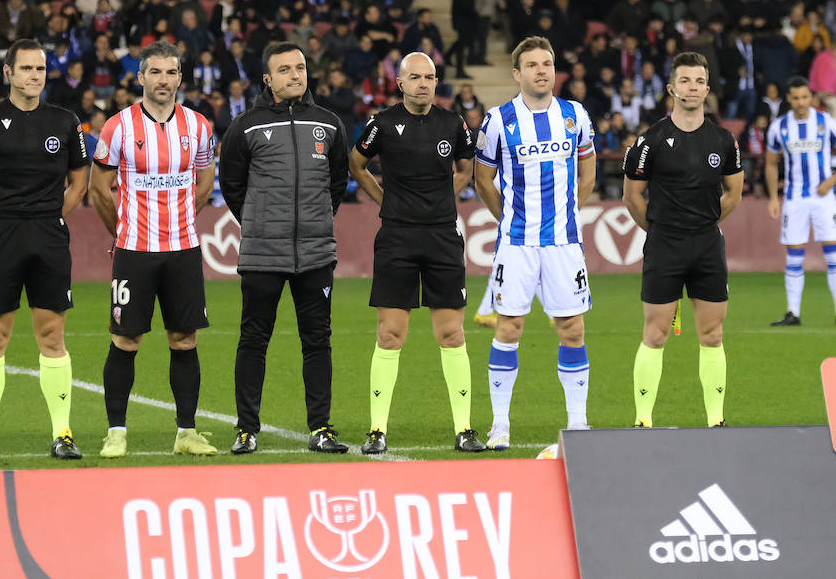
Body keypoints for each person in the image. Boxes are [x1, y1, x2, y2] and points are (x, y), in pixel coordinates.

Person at [0, 39, 90, 462]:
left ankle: (63, 433)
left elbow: (79, 183)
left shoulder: (65, 122)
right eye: (27, 68)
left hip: (49, 237)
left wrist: (50, 217)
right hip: (2, 237)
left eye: (41, 68)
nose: (36, 75)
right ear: (8, 72)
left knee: (52, 335)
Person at [349, 52, 487, 455]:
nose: (424, 83)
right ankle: (377, 430)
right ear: (401, 83)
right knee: (390, 334)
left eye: (430, 77)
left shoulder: (453, 123)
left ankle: (464, 429)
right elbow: (357, 165)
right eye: (416, 77)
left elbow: (467, 164)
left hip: (443, 236)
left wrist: (452, 191)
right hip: (397, 237)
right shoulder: (382, 124)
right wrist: (384, 199)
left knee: (452, 333)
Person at [218, 41, 350, 454]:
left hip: (315, 253)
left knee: (318, 341)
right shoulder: (246, 126)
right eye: (285, 69)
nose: (295, 75)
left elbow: (336, 182)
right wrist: (260, 222)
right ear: (268, 79)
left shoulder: (328, 124)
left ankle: (321, 428)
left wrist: (315, 220)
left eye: (300, 67)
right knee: (253, 340)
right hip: (263, 253)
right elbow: (232, 186)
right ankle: (246, 429)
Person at [88, 41, 218, 459]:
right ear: (141, 77)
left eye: (171, 72)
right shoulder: (118, 127)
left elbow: (204, 180)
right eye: (155, 72)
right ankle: (116, 433)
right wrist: (123, 230)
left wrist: (183, 218)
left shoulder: (198, 125)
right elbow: (98, 190)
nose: (163, 80)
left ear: (181, 77)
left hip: (183, 250)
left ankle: (186, 432)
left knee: (184, 339)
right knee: (126, 340)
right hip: (134, 251)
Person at [473, 36, 596, 449]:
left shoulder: (574, 114)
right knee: (509, 327)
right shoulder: (498, 120)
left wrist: (571, 211)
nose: (542, 70)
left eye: (548, 62)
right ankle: (500, 425)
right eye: (532, 65)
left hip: (564, 242)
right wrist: (508, 217)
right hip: (517, 243)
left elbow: (588, 164)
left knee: (572, 328)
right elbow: (483, 179)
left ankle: (577, 423)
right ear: (517, 73)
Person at [622, 52, 744, 428]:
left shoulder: (724, 141)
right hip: (664, 247)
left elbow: (733, 195)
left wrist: (703, 225)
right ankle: (643, 420)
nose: (692, 87)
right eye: (685, 81)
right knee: (656, 333)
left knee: (713, 333)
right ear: (672, 88)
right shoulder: (650, 141)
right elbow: (632, 197)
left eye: (699, 81)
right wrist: (660, 230)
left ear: (707, 89)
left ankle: (716, 420)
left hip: (707, 246)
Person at [765, 77, 836, 327]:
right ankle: (792, 313)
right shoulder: (779, 126)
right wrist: (774, 197)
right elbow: (770, 163)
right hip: (794, 200)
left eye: (805, 97)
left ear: (811, 97)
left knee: (833, 253)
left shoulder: (824, 121)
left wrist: (831, 181)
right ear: (789, 99)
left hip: (823, 199)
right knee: (794, 256)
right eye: (795, 98)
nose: (800, 102)